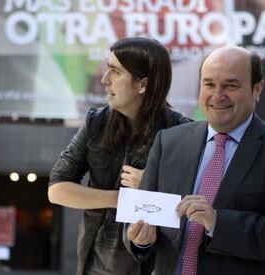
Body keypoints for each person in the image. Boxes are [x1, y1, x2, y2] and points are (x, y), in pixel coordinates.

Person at [125, 45, 265, 275]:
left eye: (231, 85)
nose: (218, 95)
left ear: (257, 89)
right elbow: (138, 221)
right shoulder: (168, 142)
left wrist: (217, 222)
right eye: (209, 84)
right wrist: (140, 241)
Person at [48, 37, 192, 275]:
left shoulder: (182, 132)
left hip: (154, 267)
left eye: (115, 71)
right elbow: (57, 190)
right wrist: (125, 199)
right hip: (93, 266)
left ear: (142, 84)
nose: (105, 80)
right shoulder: (96, 122)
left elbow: (192, 206)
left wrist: (151, 183)